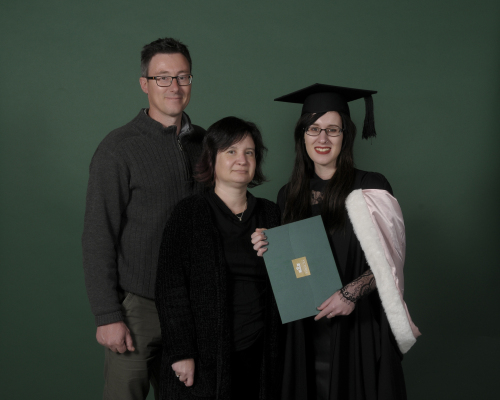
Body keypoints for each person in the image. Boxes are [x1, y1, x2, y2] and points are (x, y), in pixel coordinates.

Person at [252, 84, 421, 400]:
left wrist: (349, 293)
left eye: (333, 130)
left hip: (359, 326)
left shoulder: (370, 187)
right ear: (302, 135)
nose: (323, 139)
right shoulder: (288, 195)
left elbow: (390, 261)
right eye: (314, 129)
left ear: (346, 136)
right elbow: (294, 264)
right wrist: (268, 246)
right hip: (305, 330)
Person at [82, 37, 205, 400]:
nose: (174, 86)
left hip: (191, 307)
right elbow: (98, 235)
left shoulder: (206, 145)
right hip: (138, 307)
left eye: (182, 76)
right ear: (144, 84)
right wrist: (107, 314)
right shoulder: (118, 149)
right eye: (162, 77)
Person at [155, 117, 282, 400]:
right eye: (231, 151)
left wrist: (280, 249)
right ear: (211, 159)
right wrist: (182, 352)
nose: (242, 160)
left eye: (249, 152)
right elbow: (170, 288)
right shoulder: (188, 214)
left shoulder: (271, 214)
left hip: (261, 352)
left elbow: (294, 280)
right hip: (205, 355)